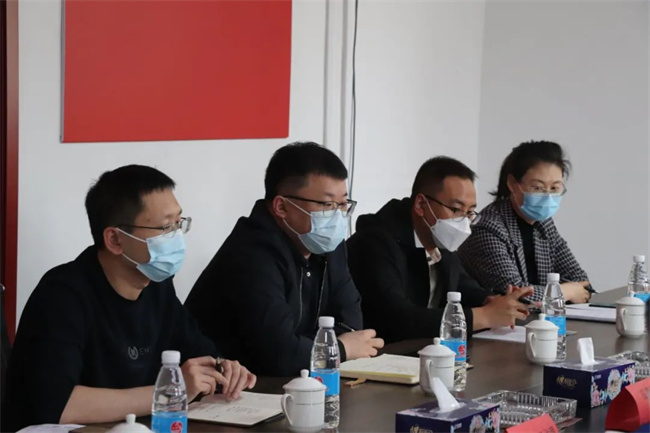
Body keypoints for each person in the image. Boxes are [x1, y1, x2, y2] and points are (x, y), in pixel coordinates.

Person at [2, 165, 256, 431]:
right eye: (165, 227)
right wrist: (170, 392)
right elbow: (55, 405)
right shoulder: (62, 295)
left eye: (179, 223)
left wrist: (222, 369)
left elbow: (199, 355)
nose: (176, 237)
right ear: (114, 239)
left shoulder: (157, 286)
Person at [186, 142, 384, 376]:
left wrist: (311, 349)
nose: (337, 217)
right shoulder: (251, 254)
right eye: (327, 204)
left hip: (298, 380)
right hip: (235, 387)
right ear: (281, 206)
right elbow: (280, 354)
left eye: (342, 205)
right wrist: (339, 349)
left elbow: (351, 324)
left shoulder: (328, 243)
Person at [347, 156, 534, 343]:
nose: (464, 221)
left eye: (470, 212)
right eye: (456, 210)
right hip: (382, 353)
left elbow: (462, 287)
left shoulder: (439, 238)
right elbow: (397, 319)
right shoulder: (374, 243)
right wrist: (484, 316)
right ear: (421, 205)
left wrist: (492, 301)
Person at [458, 141, 591, 303]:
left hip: (539, 317)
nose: (547, 196)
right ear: (512, 184)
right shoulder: (487, 228)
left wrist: (570, 291)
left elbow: (581, 282)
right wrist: (564, 292)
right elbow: (516, 296)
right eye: (537, 187)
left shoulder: (544, 223)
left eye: (554, 188)